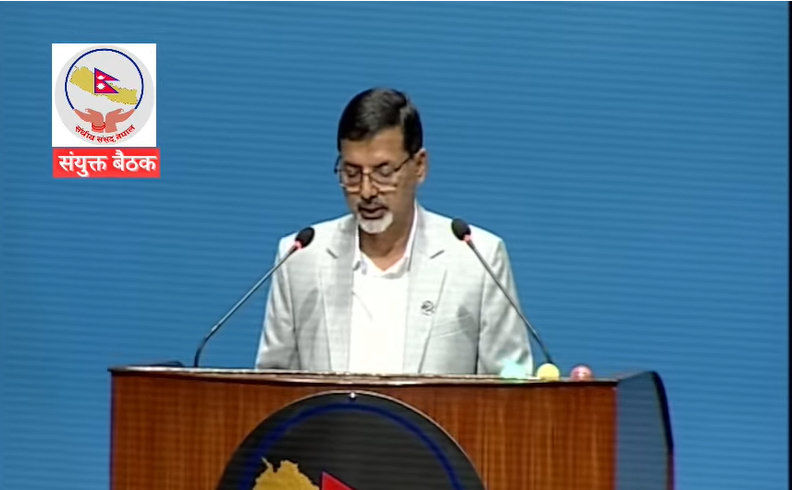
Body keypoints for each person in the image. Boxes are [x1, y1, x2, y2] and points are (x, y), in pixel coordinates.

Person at [255, 88, 531, 375]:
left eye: (383, 172)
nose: (366, 191)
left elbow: (510, 382)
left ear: (419, 166)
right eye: (352, 173)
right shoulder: (301, 257)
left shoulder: (476, 258)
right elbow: (272, 385)